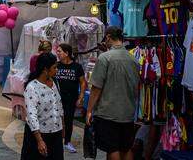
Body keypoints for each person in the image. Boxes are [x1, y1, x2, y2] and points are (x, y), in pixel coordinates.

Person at [86, 26, 139, 160]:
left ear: (108, 37)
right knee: (126, 147)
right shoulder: (133, 59)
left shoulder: (105, 58)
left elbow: (96, 87)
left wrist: (89, 110)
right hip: (128, 112)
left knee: (112, 148)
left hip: (108, 112)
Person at [21, 53, 64, 160]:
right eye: (54, 67)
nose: (57, 70)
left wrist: (63, 127)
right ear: (45, 69)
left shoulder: (55, 82)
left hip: (56, 133)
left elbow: (59, 106)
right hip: (40, 135)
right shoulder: (32, 88)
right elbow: (31, 115)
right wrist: (39, 140)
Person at [54, 43, 87, 154]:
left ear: (67, 53)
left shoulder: (77, 67)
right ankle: (56, 141)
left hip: (70, 98)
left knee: (68, 120)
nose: (57, 53)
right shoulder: (56, 65)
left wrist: (81, 97)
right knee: (56, 119)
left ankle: (67, 141)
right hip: (56, 99)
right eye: (57, 51)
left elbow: (83, 83)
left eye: (59, 51)